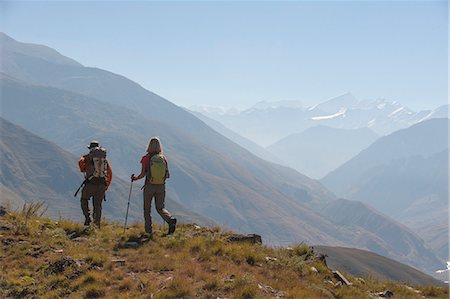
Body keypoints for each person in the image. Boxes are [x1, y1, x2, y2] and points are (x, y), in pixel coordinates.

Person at [131, 137, 176, 236]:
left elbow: (142, 174)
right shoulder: (163, 158)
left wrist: (135, 178)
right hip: (161, 186)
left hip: (149, 186)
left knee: (147, 209)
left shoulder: (146, 158)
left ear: (149, 145)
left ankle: (148, 231)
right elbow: (167, 174)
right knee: (160, 208)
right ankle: (170, 219)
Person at [78, 140, 112, 227]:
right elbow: (109, 173)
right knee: (97, 205)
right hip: (101, 185)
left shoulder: (87, 157)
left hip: (90, 184)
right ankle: (97, 224)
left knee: (84, 199)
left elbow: (81, 165)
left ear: (90, 148)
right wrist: (106, 186)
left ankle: (87, 218)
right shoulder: (104, 160)